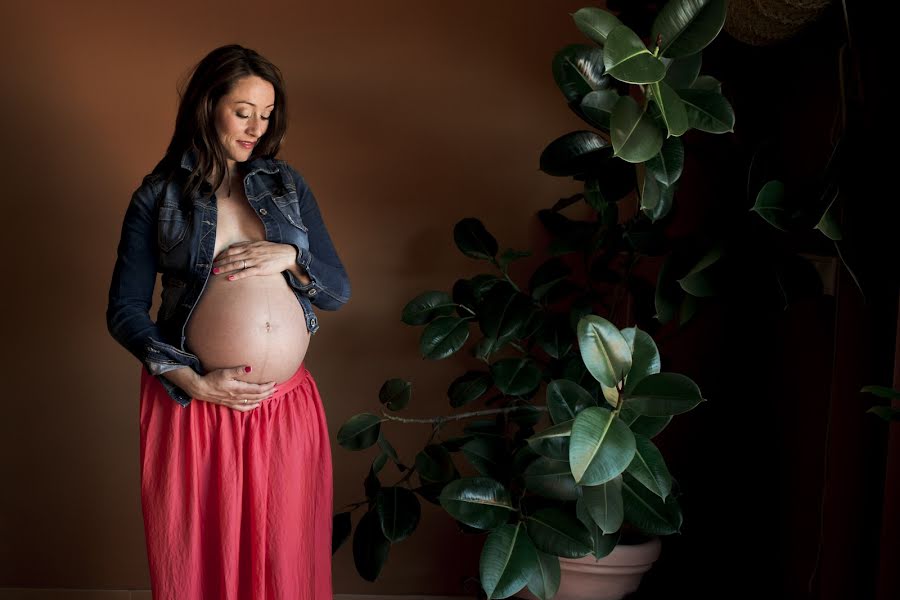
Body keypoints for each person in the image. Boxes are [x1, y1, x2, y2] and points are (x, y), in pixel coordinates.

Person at [106, 44, 350, 599]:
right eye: (243, 111)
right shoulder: (158, 196)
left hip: (283, 405)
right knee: (201, 563)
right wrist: (189, 380)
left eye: (266, 115)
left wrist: (292, 257)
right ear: (207, 104)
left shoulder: (288, 188)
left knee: (282, 559)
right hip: (197, 406)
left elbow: (338, 290)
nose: (257, 128)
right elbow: (124, 310)